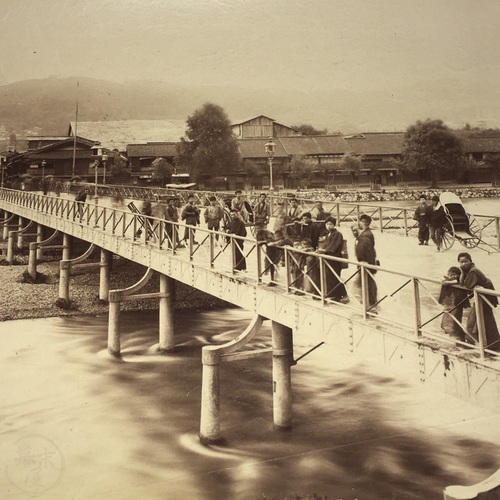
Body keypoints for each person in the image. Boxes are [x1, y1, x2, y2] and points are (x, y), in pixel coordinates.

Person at [458, 252, 500, 352]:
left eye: (466, 261)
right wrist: (462, 271)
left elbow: (467, 285)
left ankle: (472, 342)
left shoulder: (473, 271)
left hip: (485, 296)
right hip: (483, 295)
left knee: (475, 319)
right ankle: (494, 345)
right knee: (485, 319)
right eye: (461, 262)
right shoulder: (469, 270)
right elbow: (462, 283)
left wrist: (463, 273)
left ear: (470, 261)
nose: (463, 264)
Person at [316, 216, 348, 302]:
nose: (328, 226)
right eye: (327, 224)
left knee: (335, 277)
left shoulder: (337, 234)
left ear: (334, 225)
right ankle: (335, 295)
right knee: (330, 277)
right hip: (329, 258)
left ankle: (344, 294)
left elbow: (335, 246)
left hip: (335, 258)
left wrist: (324, 250)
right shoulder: (327, 234)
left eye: (330, 224)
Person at [438, 266, 470, 342]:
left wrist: (449, 282)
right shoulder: (447, 280)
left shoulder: (458, 281)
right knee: (448, 320)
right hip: (449, 305)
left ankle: (459, 338)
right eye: (451, 275)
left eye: (455, 275)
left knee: (456, 321)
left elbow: (461, 281)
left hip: (457, 304)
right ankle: (455, 337)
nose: (453, 276)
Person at [355, 214, 378, 309]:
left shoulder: (366, 235)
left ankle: (371, 303)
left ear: (367, 223)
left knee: (368, 282)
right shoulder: (364, 233)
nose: (362, 223)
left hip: (366, 262)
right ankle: (369, 301)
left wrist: (367, 261)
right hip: (364, 261)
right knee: (366, 282)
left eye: (364, 222)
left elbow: (368, 251)